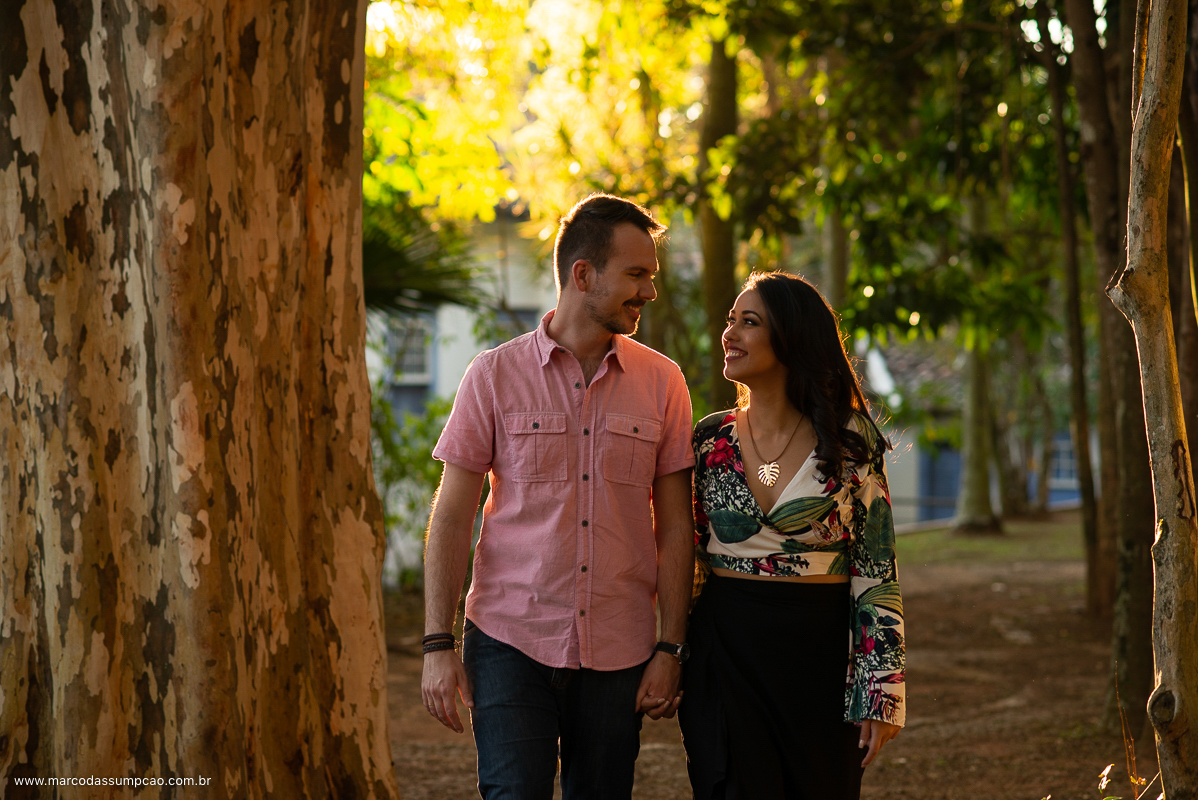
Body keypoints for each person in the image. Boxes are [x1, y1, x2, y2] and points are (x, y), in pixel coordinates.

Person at [421, 193, 696, 800]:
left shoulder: (663, 382)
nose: (649, 291)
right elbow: (452, 514)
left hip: (619, 647)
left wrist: (670, 647)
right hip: (509, 638)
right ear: (583, 275)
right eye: (637, 275)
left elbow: (676, 526)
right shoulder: (493, 375)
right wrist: (439, 643)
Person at [679, 271, 905, 800]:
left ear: (792, 337)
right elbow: (686, 555)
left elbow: (876, 567)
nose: (729, 333)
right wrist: (668, 653)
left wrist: (880, 692)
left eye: (749, 322)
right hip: (724, 654)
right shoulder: (709, 439)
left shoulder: (850, 440)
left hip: (818, 664)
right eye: (730, 320)